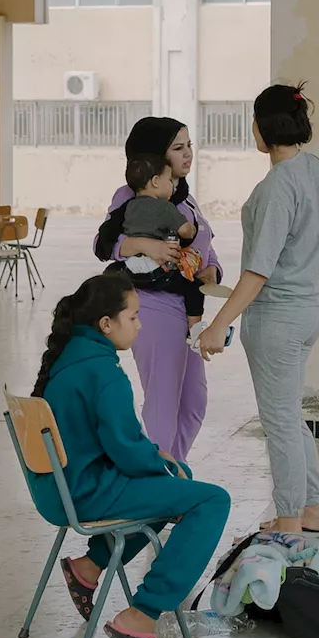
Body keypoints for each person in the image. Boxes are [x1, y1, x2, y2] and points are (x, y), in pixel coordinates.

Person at [26, 272, 230, 638]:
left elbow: (122, 446)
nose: (140, 325)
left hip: (60, 489)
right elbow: (127, 449)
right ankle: (141, 615)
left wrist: (164, 465)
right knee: (210, 500)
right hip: (87, 493)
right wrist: (164, 464)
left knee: (178, 485)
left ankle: (89, 565)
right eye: (134, 317)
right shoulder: (104, 373)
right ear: (106, 323)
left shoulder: (71, 356)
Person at [195, 83, 319, 536]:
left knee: (279, 422)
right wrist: (310, 222)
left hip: (278, 318)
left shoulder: (277, 188)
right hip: (308, 314)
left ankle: (289, 521)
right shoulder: (317, 171)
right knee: (289, 414)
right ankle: (312, 509)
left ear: (263, 128)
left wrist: (217, 326)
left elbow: (257, 272)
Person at [94, 117, 221, 462]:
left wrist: (212, 269)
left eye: (189, 145)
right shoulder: (131, 195)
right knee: (163, 402)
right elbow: (106, 243)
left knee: (193, 403)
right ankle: (162, 487)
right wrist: (141, 245)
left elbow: (205, 242)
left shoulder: (184, 196)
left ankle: (171, 476)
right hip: (152, 305)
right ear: (154, 158)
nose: (188, 154)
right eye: (178, 148)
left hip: (188, 308)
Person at [119, 152, 206, 336]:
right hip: (157, 272)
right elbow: (185, 231)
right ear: (156, 181)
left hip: (131, 271)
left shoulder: (129, 206)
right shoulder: (166, 207)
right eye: (169, 180)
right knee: (195, 288)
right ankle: (196, 332)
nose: (173, 187)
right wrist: (192, 228)